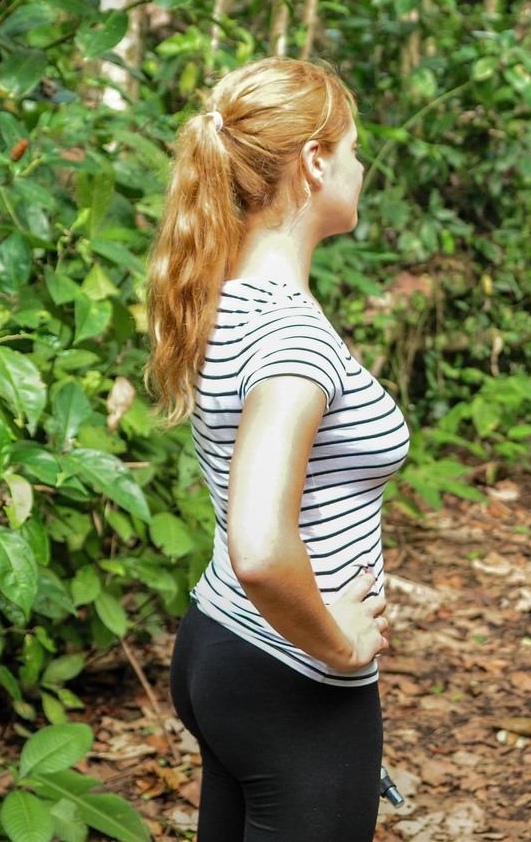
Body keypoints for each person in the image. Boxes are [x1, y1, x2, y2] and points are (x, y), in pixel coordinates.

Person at [142, 56, 412, 841]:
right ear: (316, 161)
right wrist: (340, 644)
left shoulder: (226, 300)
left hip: (223, 641)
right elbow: (261, 547)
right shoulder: (292, 339)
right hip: (290, 671)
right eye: (354, 149)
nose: (362, 168)